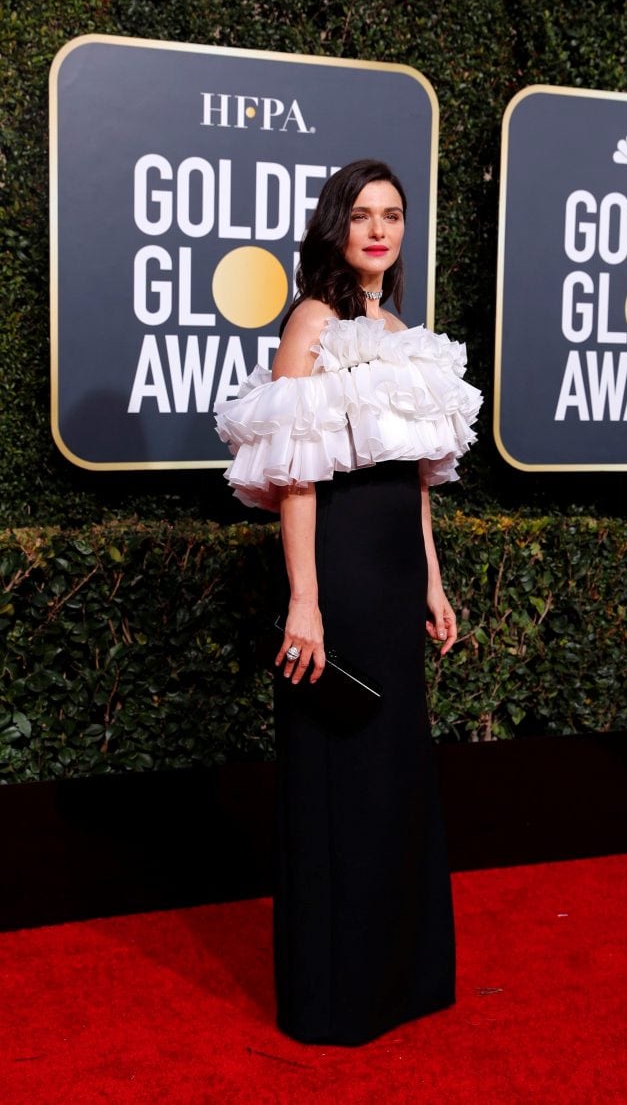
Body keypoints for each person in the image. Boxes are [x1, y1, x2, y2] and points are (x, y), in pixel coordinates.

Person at [214, 159, 482, 1046]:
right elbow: (295, 475)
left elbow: (414, 480)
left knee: (393, 773)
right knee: (340, 772)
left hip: (396, 571)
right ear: (335, 227)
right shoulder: (311, 323)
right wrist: (305, 601)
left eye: (392, 216)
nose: (378, 230)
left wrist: (434, 580)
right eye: (361, 215)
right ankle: (335, 994)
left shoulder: (402, 332)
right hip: (339, 576)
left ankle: (398, 977)